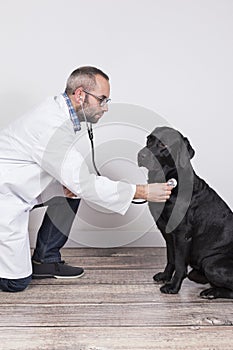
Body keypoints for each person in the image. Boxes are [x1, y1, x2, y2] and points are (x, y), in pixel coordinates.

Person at [0, 66, 172, 292]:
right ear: (80, 95)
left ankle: (46, 260)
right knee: (16, 283)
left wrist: (72, 184)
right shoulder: (50, 126)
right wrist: (142, 191)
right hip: (7, 197)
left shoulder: (56, 113)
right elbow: (86, 183)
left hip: (17, 188)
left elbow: (76, 180)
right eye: (102, 100)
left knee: (71, 191)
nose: (105, 107)